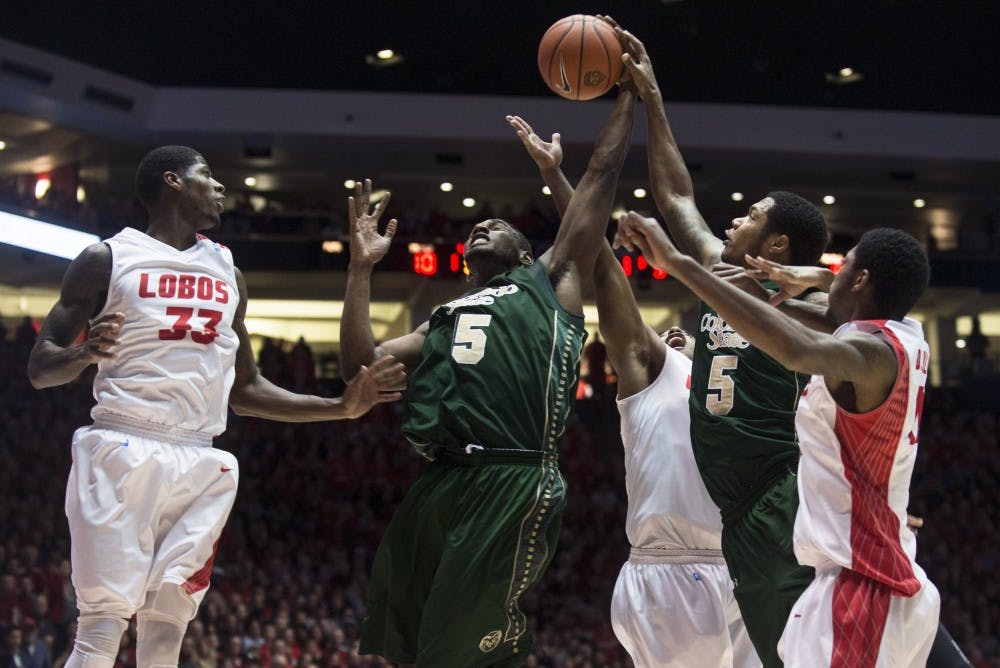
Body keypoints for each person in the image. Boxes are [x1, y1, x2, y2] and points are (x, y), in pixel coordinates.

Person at [26, 146, 405, 668]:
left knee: (166, 632)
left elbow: (245, 389)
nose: (220, 186)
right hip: (121, 444)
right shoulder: (107, 259)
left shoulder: (228, 270)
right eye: (207, 174)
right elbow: (40, 366)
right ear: (172, 182)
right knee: (101, 630)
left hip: (201, 459)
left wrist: (339, 407)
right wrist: (84, 353)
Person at [340, 72, 637, 666]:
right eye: (477, 227)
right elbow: (361, 368)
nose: (481, 225)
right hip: (441, 480)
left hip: (512, 473)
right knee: (410, 638)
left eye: (497, 226)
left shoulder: (549, 281)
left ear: (528, 253)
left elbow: (600, 181)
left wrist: (629, 94)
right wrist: (360, 270)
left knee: (462, 645)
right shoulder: (443, 317)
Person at [617, 216, 941, 666]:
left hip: (864, 581)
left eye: (841, 266)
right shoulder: (903, 336)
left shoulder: (869, 354)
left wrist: (679, 264)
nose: (830, 274)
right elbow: (825, 313)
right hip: (861, 570)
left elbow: (795, 350)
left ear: (862, 279)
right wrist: (781, 287)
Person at [608, 19, 829, 667]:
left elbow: (853, 332)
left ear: (779, 244)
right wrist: (651, 98)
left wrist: (817, 279)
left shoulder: (802, 305)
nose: (736, 218)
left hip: (770, 492)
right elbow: (676, 196)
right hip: (727, 509)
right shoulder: (720, 272)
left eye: (753, 215)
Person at [511, 112, 757, 667]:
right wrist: (557, 178)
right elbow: (600, 264)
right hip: (672, 570)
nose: (679, 334)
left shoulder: (756, 370)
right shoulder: (654, 371)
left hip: (750, 565)